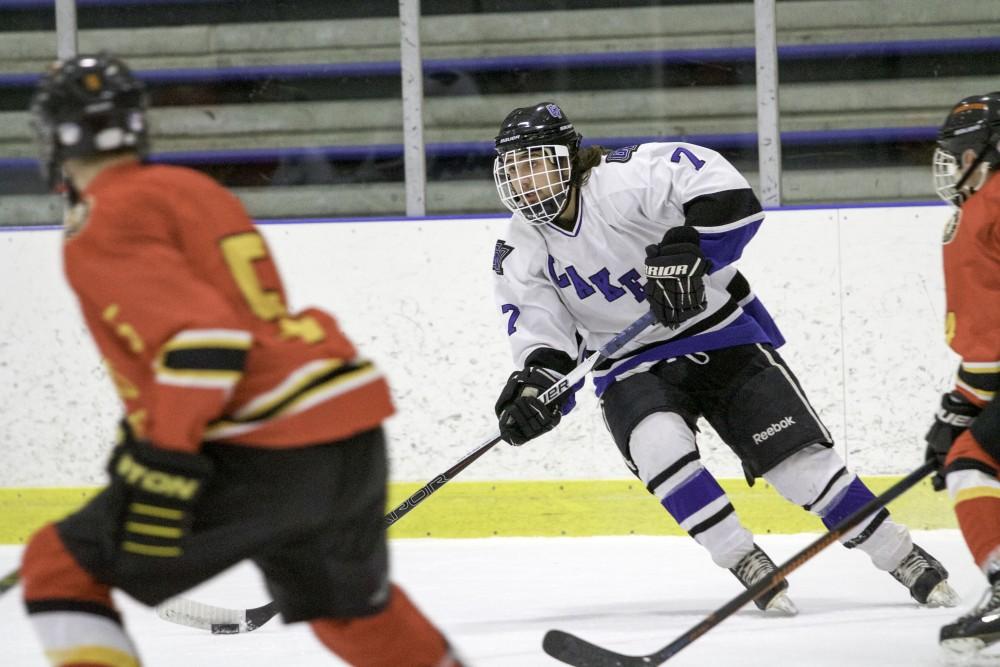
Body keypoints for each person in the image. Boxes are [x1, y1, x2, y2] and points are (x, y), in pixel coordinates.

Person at [20, 52, 461, 667]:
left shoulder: (100, 220)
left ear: (57, 136)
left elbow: (207, 343)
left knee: (57, 567)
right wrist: (146, 430)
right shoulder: (190, 188)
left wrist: (164, 456)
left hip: (268, 446)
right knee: (352, 616)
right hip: (345, 427)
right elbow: (240, 323)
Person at [489, 101, 959, 614]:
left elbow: (728, 194)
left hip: (717, 333)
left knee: (799, 467)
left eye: (535, 162)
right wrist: (536, 390)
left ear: (571, 157)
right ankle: (742, 558)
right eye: (513, 169)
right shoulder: (518, 249)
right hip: (629, 363)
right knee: (656, 446)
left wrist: (690, 246)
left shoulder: (625, 179)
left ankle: (902, 555)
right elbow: (545, 338)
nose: (524, 180)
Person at [924, 91, 1000, 661]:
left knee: (972, 460)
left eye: (964, 151)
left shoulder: (982, 213)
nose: (953, 164)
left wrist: (954, 416)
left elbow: (989, 352)